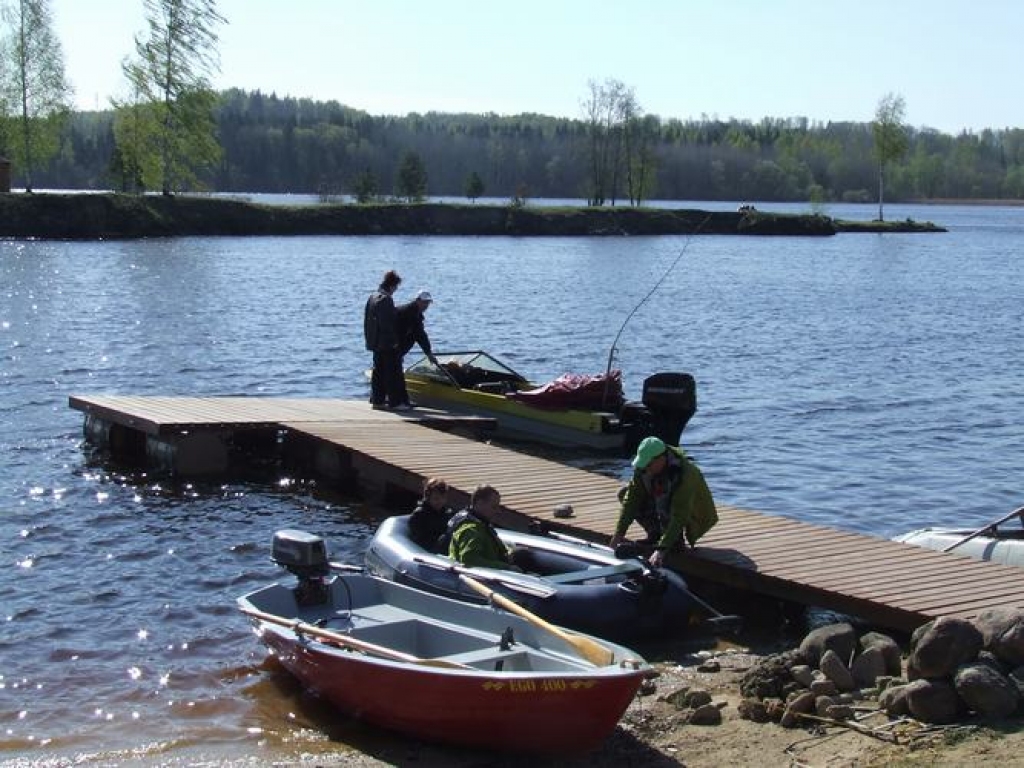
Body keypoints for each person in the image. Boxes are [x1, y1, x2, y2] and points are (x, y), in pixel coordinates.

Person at [608, 436, 718, 569]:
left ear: (661, 459)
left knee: (669, 506)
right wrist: (619, 533)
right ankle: (655, 534)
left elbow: (680, 515)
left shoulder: (686, 474)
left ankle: (674, 541)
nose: (646, 469)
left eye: (649, 465)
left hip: (690, 513)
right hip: (663, 503)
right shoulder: (643, 467)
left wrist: (661, 550)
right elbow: (631, 499)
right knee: (624, 493)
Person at [447, 485, 524, 571]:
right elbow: (468, 560)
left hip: (496, 563)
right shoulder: (471, 530)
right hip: (486, 575)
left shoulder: (482, 524)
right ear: (480, 503)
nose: (497, 511)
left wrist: (510, 553)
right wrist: (506, 567)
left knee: (521, 554)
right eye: (494, 507)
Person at [363, 270, 407, 410]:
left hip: (375, 342)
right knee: (392, 373)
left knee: (378, 372)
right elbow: (387, 324)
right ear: (392, 285)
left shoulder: (373, 296)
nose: (395, 290)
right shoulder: (386, 299)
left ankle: (377, 400)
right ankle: (395, 402)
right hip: (387, 343)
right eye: (396, 287)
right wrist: (394, 341)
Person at [392, 290, 437, 409]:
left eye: (428, 303)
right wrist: (429, 353)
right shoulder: (408, 312)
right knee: (396, 374)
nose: (426, 306)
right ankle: (400, 402)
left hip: (397, 349)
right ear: (417, 300)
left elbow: (420, 335)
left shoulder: (416, 314)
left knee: (394, 372)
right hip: (392, 347)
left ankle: (398, 400)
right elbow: (418, 334)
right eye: (424, 302)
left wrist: (428, 352)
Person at [407, 477, 453, 552]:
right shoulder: (419, 514)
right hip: (425, 550)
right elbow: (417, 539)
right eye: (436, 498)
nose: (440, 502)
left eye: (443, 498)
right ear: (428, 497)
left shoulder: (446, 514)